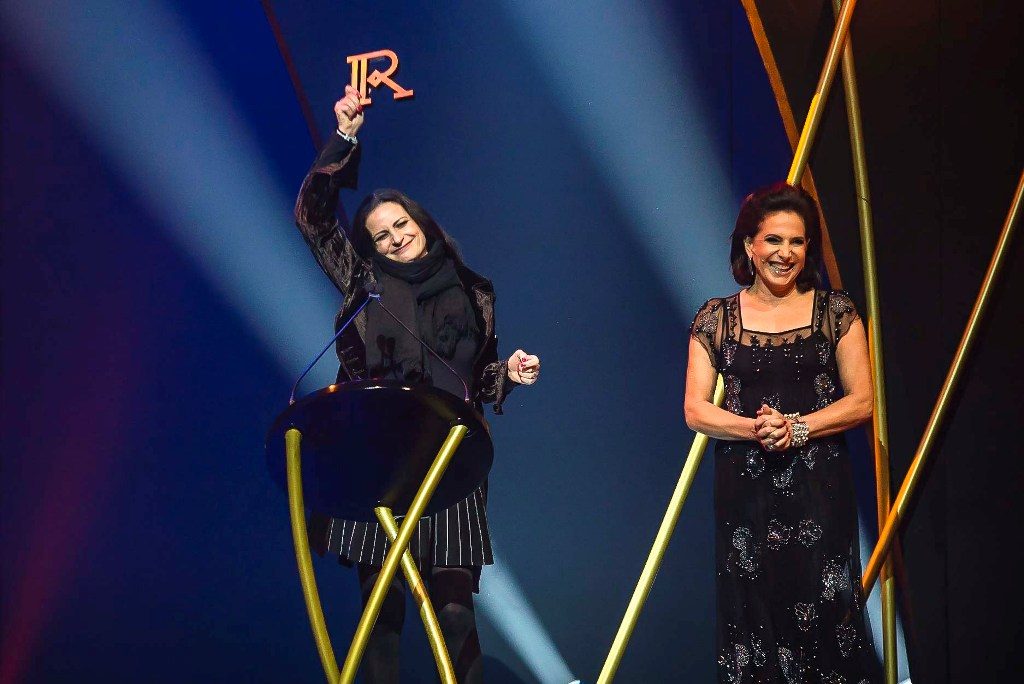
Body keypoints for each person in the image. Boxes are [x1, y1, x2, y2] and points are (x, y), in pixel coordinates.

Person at [294, 85, 541, 684]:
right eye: (380, 235)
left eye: (400, 225)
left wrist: (505, 373)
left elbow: (472, 377)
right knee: (382, 612)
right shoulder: (363, 281)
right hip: (376, 455)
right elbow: (312, 217)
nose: (394, 238)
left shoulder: (470, 290)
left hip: (449, 456)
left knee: (454, 610)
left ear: (420, 223)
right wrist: (345, 136)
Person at [684, 183, 882, 682]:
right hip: (745, 498)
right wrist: (756, 429)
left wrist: (797, 428)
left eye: (797, 242)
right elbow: (695, 410)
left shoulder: (835, 313)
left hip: (818, 494)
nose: (785, 253)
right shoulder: (716, 319)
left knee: (825, 616)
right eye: (773, 240)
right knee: (754, 617)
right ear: (749, 245)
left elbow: (862, 401)